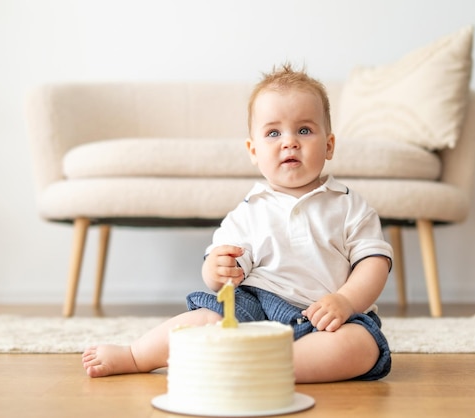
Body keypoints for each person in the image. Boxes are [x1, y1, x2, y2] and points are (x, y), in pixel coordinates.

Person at [82, 63, 393, 383]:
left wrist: (345, 301)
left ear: (328, 145)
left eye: (304, 130)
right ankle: (136, 355)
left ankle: (258, 365)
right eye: (274, 132)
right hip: (256, 313)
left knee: (361, 346)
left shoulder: (349, 205)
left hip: (329, 320)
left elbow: (374, 263)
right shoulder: (249, 212)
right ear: (253, 150)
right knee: (205, 318)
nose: (290, 142)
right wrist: (216, 272)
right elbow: (222, 274)